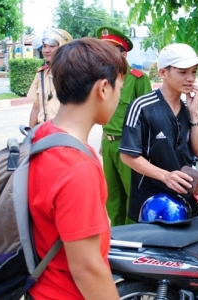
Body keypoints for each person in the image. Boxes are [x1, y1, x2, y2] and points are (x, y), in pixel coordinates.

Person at [28, 37, 126, 299]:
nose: (118, 98)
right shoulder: (76, 167)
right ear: (103, 89)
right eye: (119, 89)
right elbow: (87, 267)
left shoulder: (42, 135)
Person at [120, 43, 198, 222]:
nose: (190, 78)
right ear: (163, 73)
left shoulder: (188, 109)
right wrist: (166, 176)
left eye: (193, 72)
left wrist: (194, 112)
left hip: (185, 198)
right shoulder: (142, 107)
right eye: (182, 72)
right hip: (151, 203)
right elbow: (128, 156)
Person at [96, 26, 152, 226]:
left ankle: (131, 239)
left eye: (110, 50)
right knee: (112, 197)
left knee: (132, 197)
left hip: (129, 145)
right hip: (109, 145)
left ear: (123, 53)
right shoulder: (104, 79)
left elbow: (147, 117)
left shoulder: (137, 78)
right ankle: (116, 238)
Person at [28, 28, 73, 127]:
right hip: (43, 130)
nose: (46, 50)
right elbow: (36, 108)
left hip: (64, 132)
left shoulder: (73, 74)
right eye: (44, 46)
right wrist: (30, 136)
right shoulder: (41, 74)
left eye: (52, 46)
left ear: (63, 48)